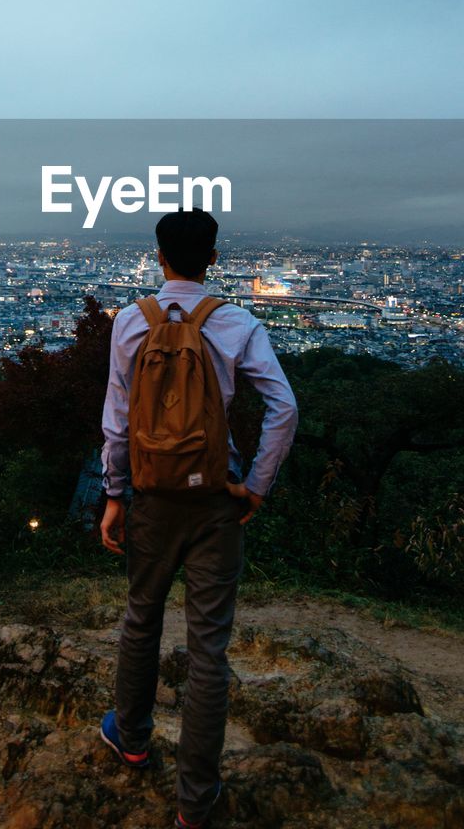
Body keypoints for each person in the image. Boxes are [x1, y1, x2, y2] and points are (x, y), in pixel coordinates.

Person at [98, 208, 299, 829]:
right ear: (213, 258)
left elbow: (117, 420)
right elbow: (284, 409)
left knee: (141, 618)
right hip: (216, 497)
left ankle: (131, 738)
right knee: (208, 648)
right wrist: (256, 486)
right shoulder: (236, 322)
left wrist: (113, 493)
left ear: (159, 256)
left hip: (153, 498)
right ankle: (196, 800)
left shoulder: (132, 321)